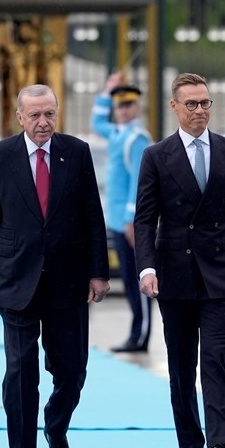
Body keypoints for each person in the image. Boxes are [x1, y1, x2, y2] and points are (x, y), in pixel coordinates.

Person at [0, 84, 111, 448]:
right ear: (20, 117)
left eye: (50, 114)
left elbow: (92, 215)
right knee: (21, 370)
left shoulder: (76, 152)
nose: (43, 122)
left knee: (72, 370)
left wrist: (100, 271)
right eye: (35, 115)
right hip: (17, 279)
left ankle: (57, 429)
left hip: (69, 279)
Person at [133, 72, 225, 448]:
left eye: (205, 103)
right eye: (191, 104)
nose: (199, 111)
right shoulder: (157, 156)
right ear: (175, 107)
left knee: (214, 359)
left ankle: (221, 445)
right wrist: (147, 266)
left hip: (220, 273)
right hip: (174, 276)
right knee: (180, 367)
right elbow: (145, 219)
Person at [91, 72, 152, 352]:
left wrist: (132, 219)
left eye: (128, 105)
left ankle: (141, 335)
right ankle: (136, 332)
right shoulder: (118, 133)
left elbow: (140, 182)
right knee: (128, 278)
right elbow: (96, 122)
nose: (124, 110)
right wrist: (107, 90)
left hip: (128, 221)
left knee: (139, 278)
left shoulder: (137, 139)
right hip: (115, 218)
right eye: (119, 105)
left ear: (136, 106)